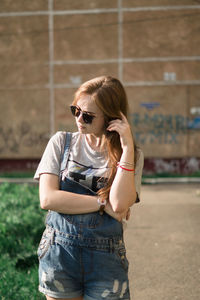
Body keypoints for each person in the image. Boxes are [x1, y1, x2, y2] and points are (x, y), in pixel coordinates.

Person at [34, 75, 144, 300]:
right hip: (59, 253)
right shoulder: (61, 143)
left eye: (88, 116)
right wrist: (102, 203)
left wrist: (127, 148)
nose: (79, 119)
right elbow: (48, 199)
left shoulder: (132, 155)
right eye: (76, 111)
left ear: (111, 118)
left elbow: (121, 204)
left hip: (106, 260)